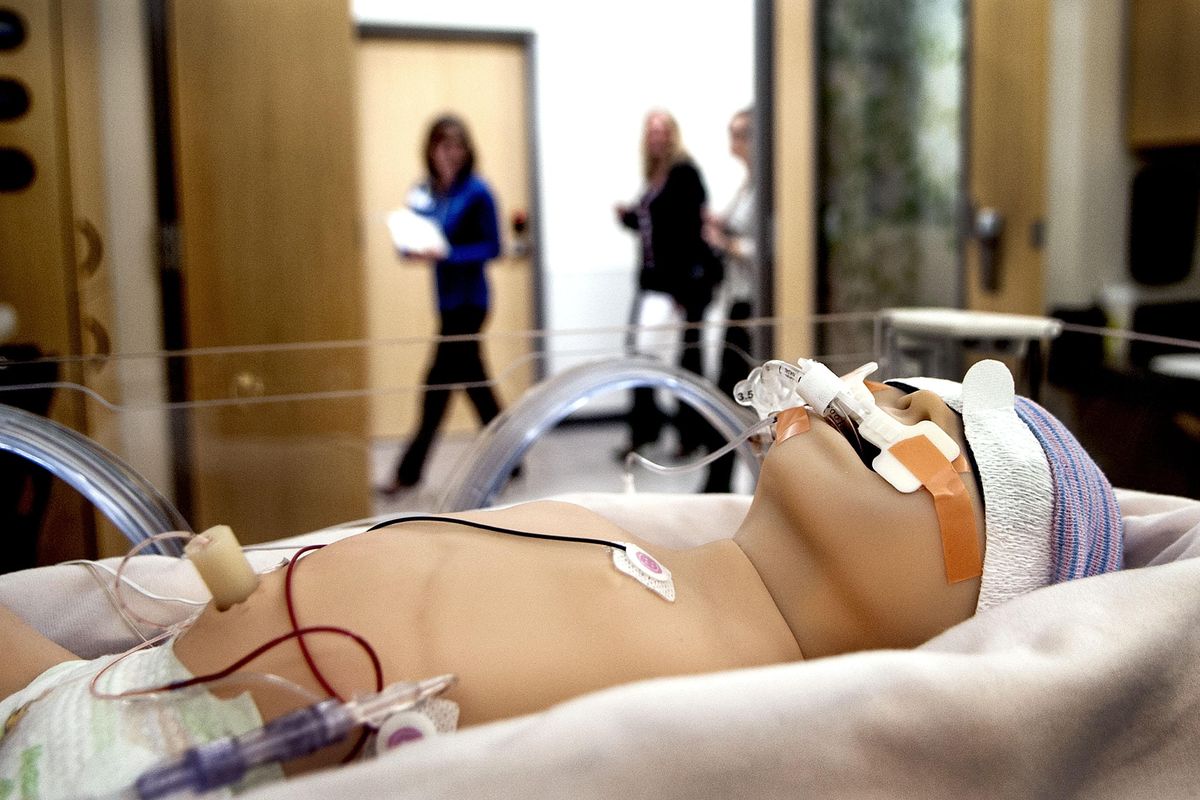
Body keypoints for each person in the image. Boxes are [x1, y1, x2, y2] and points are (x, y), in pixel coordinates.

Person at [0, 359, 1124, 795]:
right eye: (892, 385)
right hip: (95, 696)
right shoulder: (603, 531)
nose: (859, 393)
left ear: (977, 588)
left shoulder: (744, 722)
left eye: (924, 422)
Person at [380, 114, 504, 495]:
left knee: (435, 385)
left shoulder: (478, 192)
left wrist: (446, 254)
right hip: (447, 302)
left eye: (456, 146)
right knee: (475, 384)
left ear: (467, 151)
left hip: (471, 302)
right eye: (441, 145)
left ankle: (408, 472)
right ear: (430, 149)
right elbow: (410, 241)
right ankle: (511, 455)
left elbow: (493, 247)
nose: (448, 154)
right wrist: (412, 248)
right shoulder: (426, 192)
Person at [616, 110, 720, 458]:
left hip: (676, 288)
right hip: (653, 284)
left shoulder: (684, 173)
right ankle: (651, 430)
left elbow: (689, 232)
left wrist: (682, 291)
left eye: (662, 130)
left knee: (680, 362)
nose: (656, 136)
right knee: (645, 357)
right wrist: (630, 218)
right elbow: (657, 225)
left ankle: (687, 435)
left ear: (673, 134)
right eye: (651, 131)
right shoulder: (655, 176)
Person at [702, 107, 759, 493]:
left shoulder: (769, 187)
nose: (733, 142)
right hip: (737, 300)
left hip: (755, 305)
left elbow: (771, 249)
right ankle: (717, 483)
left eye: (739, 133)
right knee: (722, 396)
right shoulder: (748, 184)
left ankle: (720, 484)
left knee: (732, 397)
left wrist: (728, 244)